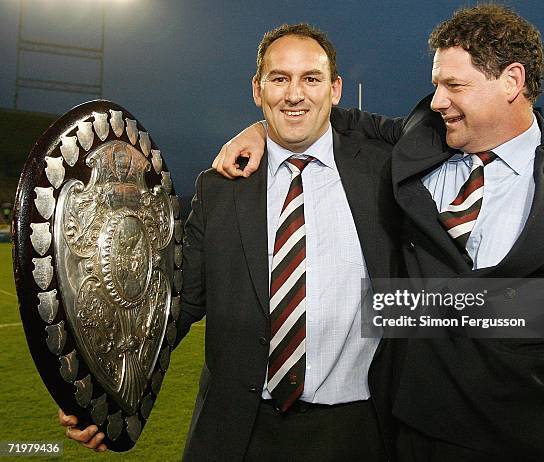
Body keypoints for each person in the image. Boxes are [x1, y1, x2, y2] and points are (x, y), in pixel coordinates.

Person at [213, 5, 544, 461]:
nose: (437, 100)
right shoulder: (425, 137)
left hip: (528, 442)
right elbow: (334, 117)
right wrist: (261, 128)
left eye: (454, 85)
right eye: (437, 84)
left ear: (512, 82)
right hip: (410, 436)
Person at [60, 23, 404, 461]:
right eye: (279, 79)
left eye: (311, 79)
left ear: (336, 90)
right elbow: (175, 307)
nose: (294, 94)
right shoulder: (220, 187)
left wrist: (513, 312)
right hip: (238, 433)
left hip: (357, 432)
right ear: (257, 90)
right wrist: (101, 390)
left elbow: (435, 125)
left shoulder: (385, 173)